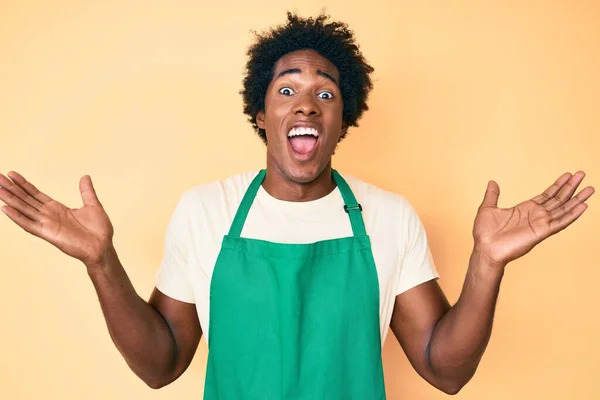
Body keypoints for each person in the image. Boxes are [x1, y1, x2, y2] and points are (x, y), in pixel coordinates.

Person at [0, 12, 594, 399]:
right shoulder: (206, 211)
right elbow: (162, 365)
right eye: (286, 89)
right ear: (262, 116)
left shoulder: (388, 217)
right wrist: (100, 262)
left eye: (325, 94)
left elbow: (447, 370)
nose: (305, 104)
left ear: (343, 121)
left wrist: (487, 265)